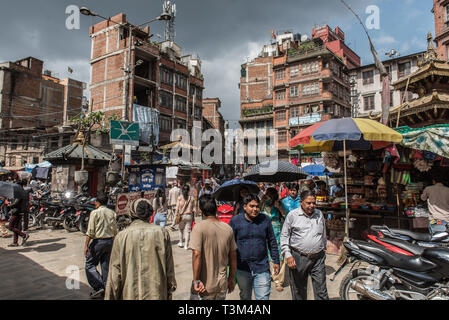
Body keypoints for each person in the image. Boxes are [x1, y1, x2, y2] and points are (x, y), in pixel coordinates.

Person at [105, 200, 177, 300]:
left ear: (132, 213)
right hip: (157, 294)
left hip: (130, 294)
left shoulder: (121, 236)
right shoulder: (162, 233)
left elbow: (114, 276)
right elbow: (169, 269)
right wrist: (170, 290)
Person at [229, 193, 280, 300]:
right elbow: (229, 244)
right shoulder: (235, 221)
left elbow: (272, 241)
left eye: (257, 206)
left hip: (262, 267)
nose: (255, 209)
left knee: (263, 297)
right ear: (244, 206)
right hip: (242, 268)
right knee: (245, 296)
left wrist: (276, 260)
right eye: (252, 206)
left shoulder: (265, 220)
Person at [280, 190, 328, 300]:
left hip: (318, 258)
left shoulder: (319, 214)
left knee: (322, 291)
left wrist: (323, 246)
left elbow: (323, 232)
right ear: (301, 202)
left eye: (313, 203)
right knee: (299, 290)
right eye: (308, 203)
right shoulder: (292, 215)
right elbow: (284, 236)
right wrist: (288, 255)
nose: (312, 206)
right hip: (298, 257)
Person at [189, 194, 237, 300]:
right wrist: (231, 279)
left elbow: (196, 255)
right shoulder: (227, 228)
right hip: (222, 284)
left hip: (203, 286)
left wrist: (196, 281)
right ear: (216, 208)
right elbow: (233, 256)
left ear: (200, 210)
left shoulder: (199, 228)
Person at [84, 196, 118, 299]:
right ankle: (106, 288)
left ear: (97, 203)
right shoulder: (112, 213)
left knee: (89, 264)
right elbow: (114, 231)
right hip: (109, 241)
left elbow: (90, 231)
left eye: (95, 202)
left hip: (98, 241)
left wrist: (86, 245)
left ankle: (99, 286)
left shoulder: (95, 213)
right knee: (105, 266)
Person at [261, 187, 287, 292]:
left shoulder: (279, 204)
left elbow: (287, 216)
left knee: (279, 255)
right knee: (266, 255)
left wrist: (279, 207)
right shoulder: (262, 204)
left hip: (277, 232)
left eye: (272, 195)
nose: (270, 197)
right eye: (268, 195)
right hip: (264, 232)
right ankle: (268, 275)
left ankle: (278, 281)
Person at [7, 182, 29, 247]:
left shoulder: (20, 193)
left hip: (16, 211)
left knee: (10, 227)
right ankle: (15, 242)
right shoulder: (23, 192)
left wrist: (9, 205)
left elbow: (16, 203)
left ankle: (24, 235)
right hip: (20, 211)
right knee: (15, 227)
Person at [176, 185, 195, 250]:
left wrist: (176, 216)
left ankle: (181, 242)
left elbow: (177, 208)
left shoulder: (180, 198)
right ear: (188, 190)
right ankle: (186, 245)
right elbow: (193, 209)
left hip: (182, 216)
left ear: (182, 190)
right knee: (188, 231)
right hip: (189, 216)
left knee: (181, 229)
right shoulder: (191, 198)